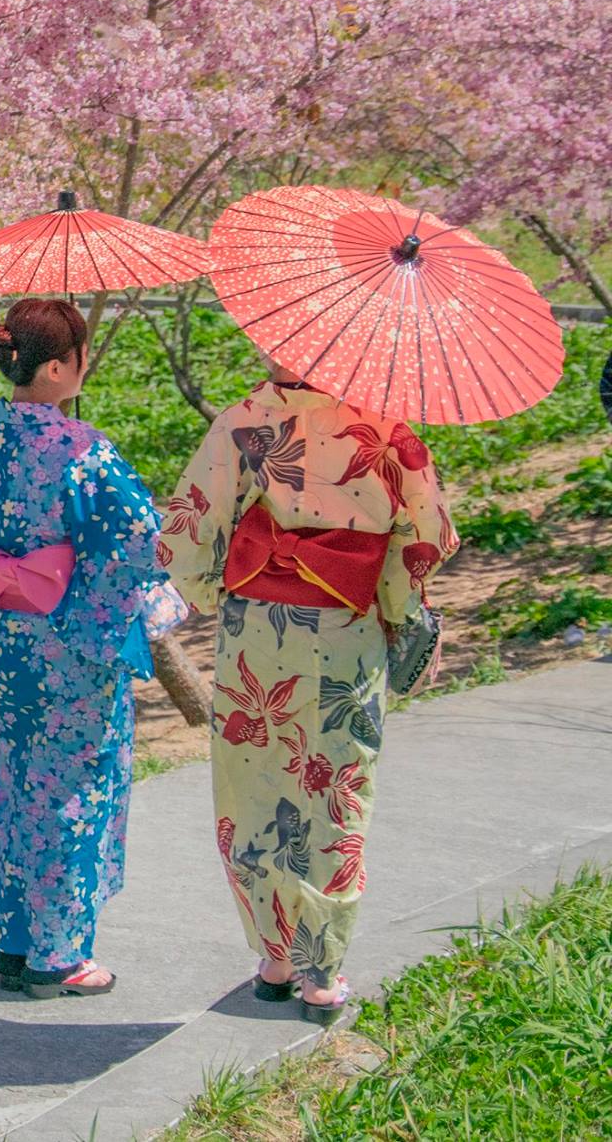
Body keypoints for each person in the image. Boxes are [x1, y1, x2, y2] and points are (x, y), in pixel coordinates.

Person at [159, 364, 456, 1022]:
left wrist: (216, 585)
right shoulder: (387, 428)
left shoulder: (244, 421)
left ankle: (274, 957)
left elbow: (185, 532)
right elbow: (428, 536)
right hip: (349, 625)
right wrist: (395, 601)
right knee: (337, 783)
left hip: (257, 628)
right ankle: (323, 972)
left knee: (254, 781)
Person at [0, 299, 182, 998]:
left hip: (5, 640)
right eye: (82, 354)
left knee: (17, 785)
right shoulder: (84, 450)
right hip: (71, 644)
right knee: (72, 789)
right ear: (61, 366)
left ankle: (12, 943)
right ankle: (58, 954)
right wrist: (111, 618)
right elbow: (137, 538)